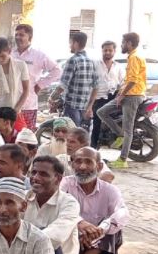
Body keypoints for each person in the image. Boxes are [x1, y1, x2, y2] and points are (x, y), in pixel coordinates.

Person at [61, 147, 129, 254]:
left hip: (99, 248)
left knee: (113, 225)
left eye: (88, 162)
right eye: (78, 162)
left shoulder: (110, 190)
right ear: (72, 165)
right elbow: (58, 205)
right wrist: (80, 224)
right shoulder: (65, 184)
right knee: (60, 223)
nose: (82, 167)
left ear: (99, 166)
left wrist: (100, 230)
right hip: (71, 244)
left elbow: (123, 212)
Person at [25, 155, 80, 254]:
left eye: (43, 174)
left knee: (42, 235)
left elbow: (56, 237)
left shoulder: (69, 203)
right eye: (33, 172)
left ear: (58, 178)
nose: (35, 178)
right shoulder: (24, 197)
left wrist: (18, 245)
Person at [98, 32, 147, 169]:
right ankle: (119, 134)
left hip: (132, 96)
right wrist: (121, 92)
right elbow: (129, 79)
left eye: (123, 43)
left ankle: (123, 159)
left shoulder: (134, 57)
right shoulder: (133, 56)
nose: (121, 45)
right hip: (128, 94)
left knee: (128, 129)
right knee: (101, 112)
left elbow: (133, 80)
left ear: (129, 43)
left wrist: (121, 95)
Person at [11, 24, 61, 130]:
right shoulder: (10, 53)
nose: (18, 37)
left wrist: (40, 85)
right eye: (16, 35)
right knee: (9, 136)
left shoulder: (38, 55)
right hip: (10, 104)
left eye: (21, 35)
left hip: (28, 105)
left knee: (26, 135)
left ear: (30, 37)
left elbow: (57, 71)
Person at [50, 32, 98, 127]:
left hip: (71, 107)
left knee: (70, 132)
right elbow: (96, 87)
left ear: (75, 43)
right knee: (81, 134)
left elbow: (63, 85)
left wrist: (52, 98)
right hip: (85, 107)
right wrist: (90, 106)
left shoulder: (73, 60)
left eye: (71, 43)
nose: (70, 46)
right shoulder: (92, 61)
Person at [0, 37, 29, 131]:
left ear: (9, 51)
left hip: (14, 112)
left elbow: (26, 90)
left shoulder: (21, 65)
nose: (0, 60)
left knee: (21, 138)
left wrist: (15, 111)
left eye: (2, 56)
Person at [91, 41, 125, 149]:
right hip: (98, 98)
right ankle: (94, 148)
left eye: (110, 50)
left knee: (114, 121)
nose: (107, 52)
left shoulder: (118, 66)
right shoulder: (95, 64)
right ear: (102, 51)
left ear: (114, 51)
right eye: (105, 50)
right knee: (96, 124)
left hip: (113, 97)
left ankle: (117, 138)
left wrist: (120, 94)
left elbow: (123, 82)